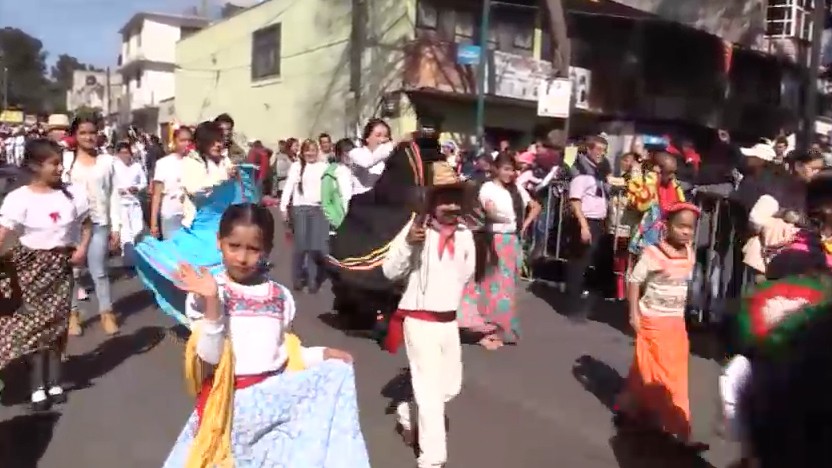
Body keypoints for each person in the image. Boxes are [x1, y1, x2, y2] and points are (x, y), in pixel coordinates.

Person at [163, 203, 370, 467]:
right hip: (229, 411)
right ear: (219, 242)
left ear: (267, 250)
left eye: (253, 249)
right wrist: (213, 302)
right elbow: (209, 357)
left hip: (275, 411)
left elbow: (285, 353)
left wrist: (323, 355)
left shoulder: (279, 296)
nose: (242, 257)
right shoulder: (207, 293)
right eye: (234, 246)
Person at [382, 161, 474, 468]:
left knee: (449, 387)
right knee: (431, 397)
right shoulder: (416, 231)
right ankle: (432, 459)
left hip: (449, 321)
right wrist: (409, 245)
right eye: (443, 198)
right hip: (420, 321)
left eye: (455, 198)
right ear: (431, 202)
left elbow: (467, 274)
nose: (450, 205)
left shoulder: (465, 235)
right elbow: (390, 270)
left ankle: (407, 413)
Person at [0, 139, 91, 410]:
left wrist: (81, 248)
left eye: (61, 162)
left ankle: (55, 382)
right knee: (34, 330)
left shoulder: (73, 194)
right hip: (29, 271)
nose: (60, 168)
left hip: (60, 269)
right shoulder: (19, 199)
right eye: (54, 163)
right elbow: (3, 232)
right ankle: (37, 387)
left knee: (56, 329)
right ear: (35, 166)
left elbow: (87, 224)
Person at [614, 202, 706, 450]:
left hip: (675, 322)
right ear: (667, 227)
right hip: (652, 319)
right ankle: (679, 431)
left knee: (659, 370)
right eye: (681, 226)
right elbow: (634, 280)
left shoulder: (689, 251)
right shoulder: (653, 253)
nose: (687, 232)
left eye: (691, 228)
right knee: (662, 374)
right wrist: (633, 313)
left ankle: (630, 408)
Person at [457, 152, 541, 349]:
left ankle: (500, 328)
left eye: (512, 170)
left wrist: (524, 224)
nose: (509, 174)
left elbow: (535, 206)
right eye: (506, 169)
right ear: (496, 169)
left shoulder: (516, 189)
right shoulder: (488, 188)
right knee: (490, 286)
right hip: (492, 239)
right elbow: (489, 210)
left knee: (506, 288)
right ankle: (485, 328)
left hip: (511, 240)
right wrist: (498, 216)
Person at [62, 116, 121, 337]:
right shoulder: (67, 161)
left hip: (99, 222)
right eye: (83, 133)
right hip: (72, 225)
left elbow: (114, 194)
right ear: (75, 136)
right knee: (73, 272)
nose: (88, 137)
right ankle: (72, 315)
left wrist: (116, 226)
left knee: (100, 271)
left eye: (92, 132)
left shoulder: (107, 162)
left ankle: (107, 313)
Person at [565, 136, 612, 320]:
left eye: (604, 150)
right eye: (598, 149)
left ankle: (584, 298)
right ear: (589, 149)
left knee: (591, 259)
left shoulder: (598, 173)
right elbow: (575, 201)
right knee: (579, 261)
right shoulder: (582, 172)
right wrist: (584, 226)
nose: (601, 153)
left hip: (597, 221)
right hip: (585, 220)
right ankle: (572, 304)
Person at [279, 139, 329, 293]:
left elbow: (330, 188)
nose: (310, 153)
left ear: (317, 151)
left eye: (313, 150)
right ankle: (298, 277)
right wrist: (283, 206)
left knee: (315, 247)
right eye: (307, 150)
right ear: (303, 152)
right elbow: (288, 186)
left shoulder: (324, 167)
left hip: (318, 209)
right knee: (301, 246)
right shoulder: (296, 166)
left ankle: (313, 280)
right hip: (300, 208)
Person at [181, 121, 235, 230]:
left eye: (220, 140)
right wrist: (223, 177)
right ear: (203, 142)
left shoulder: (225, 161)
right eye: (213, 141)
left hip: (224, 223)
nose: (218, 144)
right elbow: (194, 189)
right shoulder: (191, 161)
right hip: (199, 224)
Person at [150, 127, 192, 240]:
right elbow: (156, 195)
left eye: (189, 140)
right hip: (171, 215)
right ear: (174, 141)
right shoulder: (163, 163)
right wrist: (154, 223)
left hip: (191, 216)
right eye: (182, 140)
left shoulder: (195, 163)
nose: (186, 144)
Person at [112, 142, 147, 268]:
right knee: (125, 232)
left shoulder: (137, 166)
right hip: (121, 203)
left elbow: (144, 182)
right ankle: (128, 261)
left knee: (138, 230)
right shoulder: (114, 166)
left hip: (134, 202)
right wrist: (118, 190)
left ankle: (139, 257)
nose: (124, 155)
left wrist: (136, 188)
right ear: (118, 154)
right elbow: (110, 184)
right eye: (122, 153)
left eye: (127, 152)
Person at [321, 138, 354, 230]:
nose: (349, 155)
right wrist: (337, 222)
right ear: (339, 154)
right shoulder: (331, 173)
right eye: (345, 151)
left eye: (351, 151)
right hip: (342, 221)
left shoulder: (359, 170)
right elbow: (326, 202)